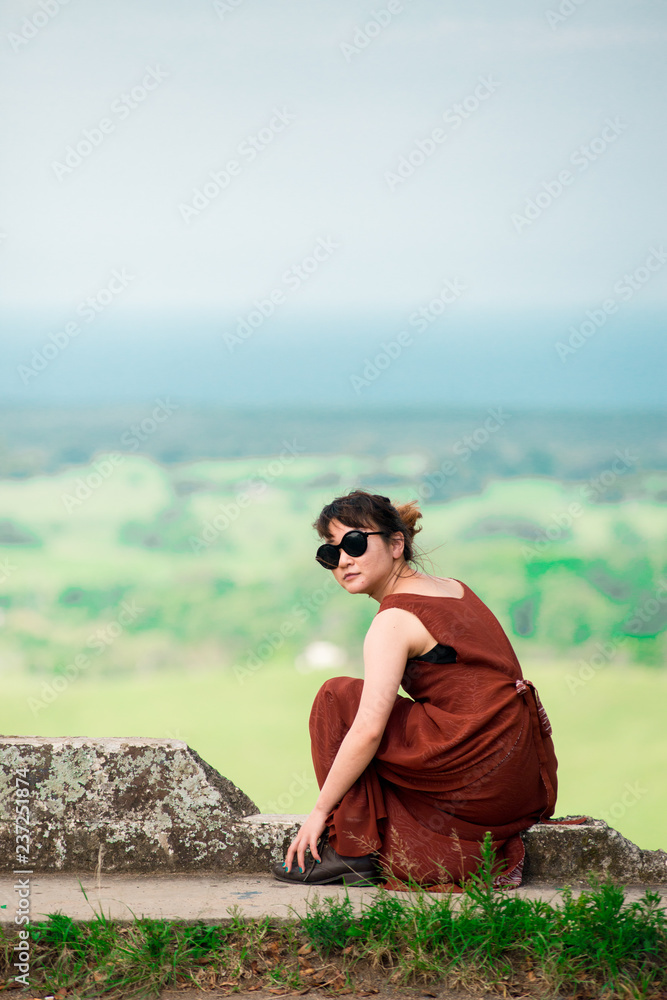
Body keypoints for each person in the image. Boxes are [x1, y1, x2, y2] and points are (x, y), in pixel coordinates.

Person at [272, 490, 558, 890]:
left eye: (354, 543)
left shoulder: (393, 620)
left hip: (474, 767)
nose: (344, 560)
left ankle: (351, 850)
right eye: (330, 553)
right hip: (515, 781)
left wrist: (320, 813)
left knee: (336, 698)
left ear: (396, 544)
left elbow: (368, 729)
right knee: (370, 711)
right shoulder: (455, 588)